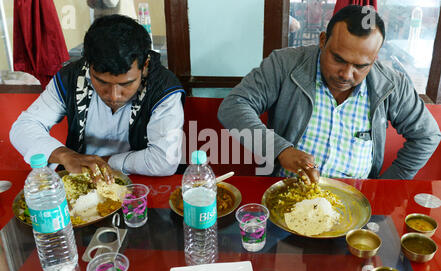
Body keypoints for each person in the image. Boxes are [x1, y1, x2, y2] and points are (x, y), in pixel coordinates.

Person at [218, 5, 440, 183]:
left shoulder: (392, 85)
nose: (346, 74)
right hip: (288, 192)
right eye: (338, 59)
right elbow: (234, 105)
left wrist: (386, 186)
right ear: (322, 40)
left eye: (361, 66)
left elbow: (427, 136)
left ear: (374, 58)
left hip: (354, 203)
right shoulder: (285, 65)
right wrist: (281, 150)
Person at [10, 14, 185, 183]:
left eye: (126, 84)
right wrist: (67, 156)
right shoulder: (71, 77)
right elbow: (23, 128)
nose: (114, 96)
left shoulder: (163, 88)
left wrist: (102, 163)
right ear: (88, 65)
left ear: (144, 65)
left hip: (140, 186)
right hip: (81, 181)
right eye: (102, 82)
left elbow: (164, 160)